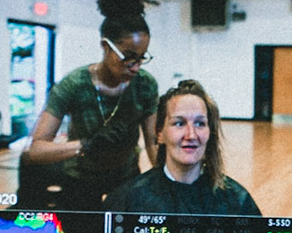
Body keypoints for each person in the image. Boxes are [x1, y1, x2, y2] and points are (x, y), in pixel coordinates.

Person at [22, 0, 161, 209]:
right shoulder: (73, 85)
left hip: (126, 178)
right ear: (106, 46)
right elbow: (36, 151)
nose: (135, 67)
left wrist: (165, 184)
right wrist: (87, 145)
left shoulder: (145, 85)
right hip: (81, 180)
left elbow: (153, 144)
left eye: (141, 58)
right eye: (128, 57)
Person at [104, 79, 262, 216]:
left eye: (200, 123)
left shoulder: (238, 202)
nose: (191, 135)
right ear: (160, 133)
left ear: (210, 132)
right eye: (179, 123)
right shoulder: (126, 201)